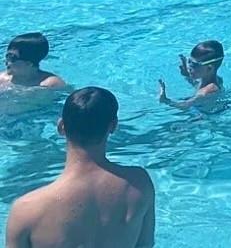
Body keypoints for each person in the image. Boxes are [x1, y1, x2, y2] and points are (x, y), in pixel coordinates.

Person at [4, 87, 156, 248]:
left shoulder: (26, 210)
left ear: (61, 126)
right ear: (113, 126)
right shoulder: (139, 185)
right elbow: (145, 244)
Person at [158, 40, 224, 110]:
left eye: (194, 65)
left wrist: (165, 100)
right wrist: (186, 75)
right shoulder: (211, 79)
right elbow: (196, 85)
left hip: (205, 116)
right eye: (189, 61)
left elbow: (185, 105)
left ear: (209, 68)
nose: (189, 67)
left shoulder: (209, 90)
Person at [1, 33, 66, 90]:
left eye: (12, 58)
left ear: (29, 63)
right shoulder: (2, 80)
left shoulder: (51, 85)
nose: (6, 61)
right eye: (7, 56)